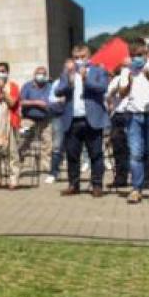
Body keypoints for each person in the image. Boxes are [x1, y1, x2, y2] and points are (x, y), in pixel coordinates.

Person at [117, 39, 149, 204]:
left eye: (139, 55)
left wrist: (148, 76)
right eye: (133, 56)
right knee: (135, 154)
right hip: (134, 115)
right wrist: (129, 82)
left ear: (146, 52)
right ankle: (136, 189)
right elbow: (121, 92)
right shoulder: (127, 70)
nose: (136, 58)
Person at [54, 45, 109, 198]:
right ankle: (74, 185)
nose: (79, 60)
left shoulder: (98, 71)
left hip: (92, 119)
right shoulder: (67, 72)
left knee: (96, 154)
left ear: (89, 56)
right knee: (72, 155)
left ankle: (97, 185)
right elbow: (58, 90)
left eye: (82, 57)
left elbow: (103, 88)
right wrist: (69, 82)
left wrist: (85, 79)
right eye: (76, 57)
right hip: (72, 120)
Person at [18, 66, 55, 180]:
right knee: (23, 141)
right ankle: (18, 166)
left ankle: (45, 169)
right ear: (34, 75)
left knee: (47, 144)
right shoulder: (27, 86)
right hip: (28, 118)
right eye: (39, 74)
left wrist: (48, 105)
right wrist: (36, 103)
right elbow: (21, 101)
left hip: (46, 119)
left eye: (43, 74)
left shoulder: (50, 86)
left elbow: (53, 101)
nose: (41, 76)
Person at [106, 61, 134, 192]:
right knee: (118, 148)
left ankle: (140, 177)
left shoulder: (137, 78)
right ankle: (121, 178)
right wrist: (117, 87)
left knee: (135, 147)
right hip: (118, 115)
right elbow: (108, 96)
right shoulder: (116, 80)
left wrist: (130, 82)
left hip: (133, 113)